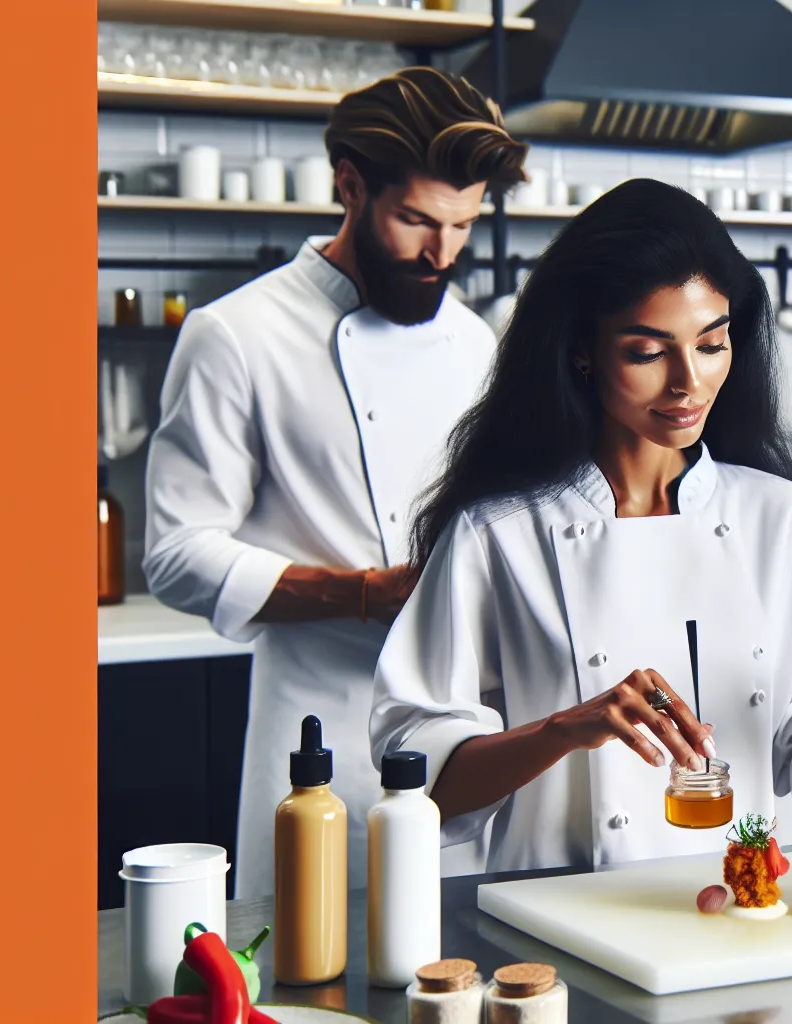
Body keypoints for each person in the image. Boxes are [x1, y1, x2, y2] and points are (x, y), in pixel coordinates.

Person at [369, 180, 792, 872]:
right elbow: (425, 785)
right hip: (555, 918)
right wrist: (567, 727)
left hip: (738, 905)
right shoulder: (501, 533)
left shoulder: (781, 519)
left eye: (712, 344)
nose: (687, 383)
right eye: (647, 352)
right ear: (583, 350)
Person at [143, 68, 527, 897]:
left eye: (462, 225)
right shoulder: (238, 335)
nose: (443, 254)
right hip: (320, 737)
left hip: (461, 735)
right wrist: (362, 592)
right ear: (349, 186)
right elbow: (174, 553)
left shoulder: (473, 343)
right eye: (418, 220)